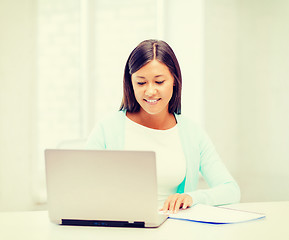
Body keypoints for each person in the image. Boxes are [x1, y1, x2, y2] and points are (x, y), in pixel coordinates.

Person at [86, 39, 240, 213]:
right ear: (130, 83)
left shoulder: (192, 133)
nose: (150, 91)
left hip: (175, 230)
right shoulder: (107, 129)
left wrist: (192, 198)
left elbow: (230, 190)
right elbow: (84, 188)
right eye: (141, 82)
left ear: (174, 80)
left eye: (159, 82)